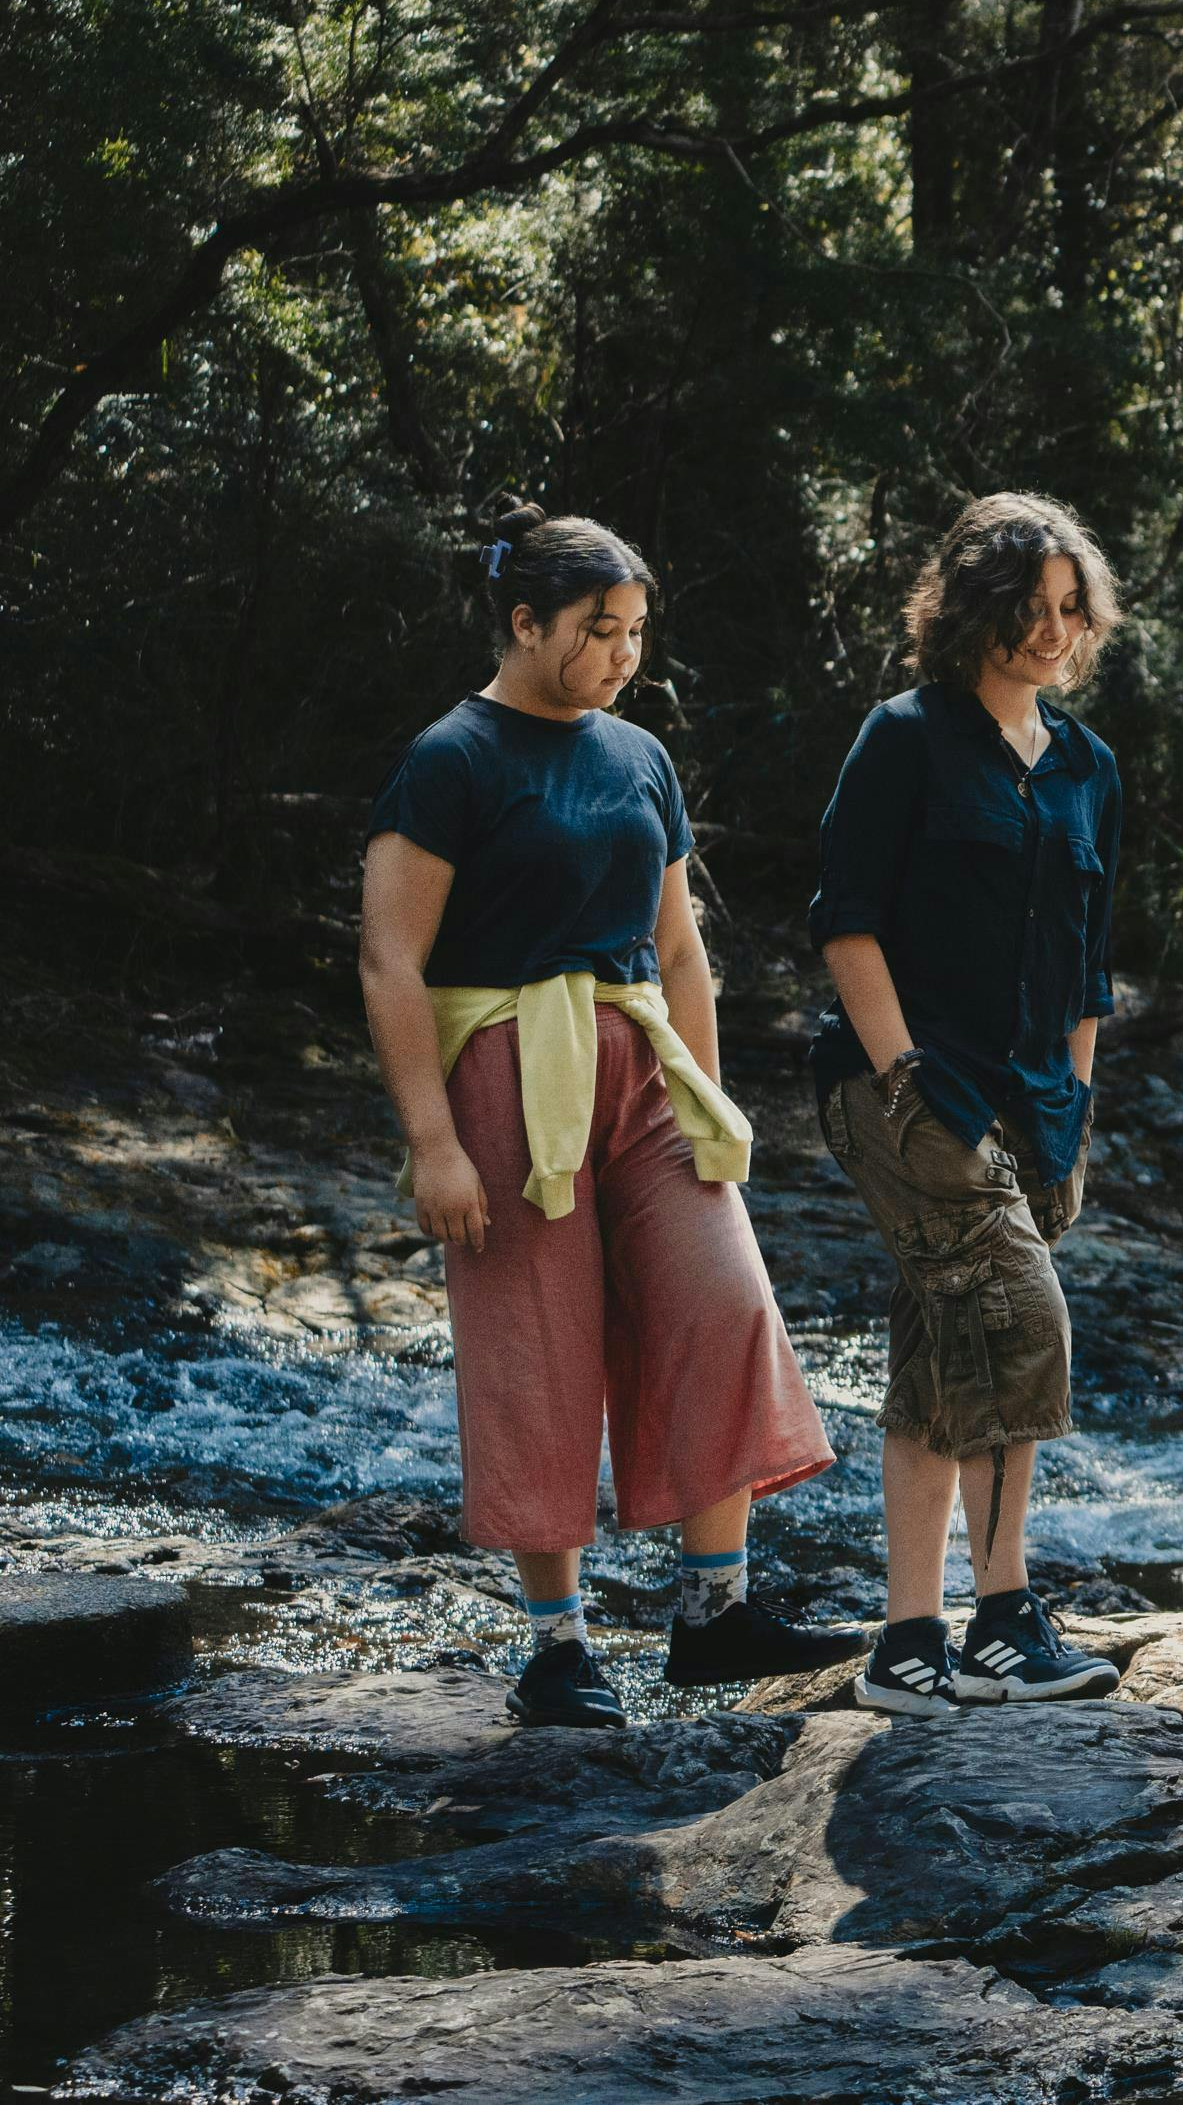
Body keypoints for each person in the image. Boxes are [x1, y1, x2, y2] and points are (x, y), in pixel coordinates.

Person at [359, 504, 860, 1730]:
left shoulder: (640, 758)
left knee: (723, 1304)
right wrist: (433, 1143)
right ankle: (558, 1649)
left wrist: (709, 1103)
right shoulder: (451, 758)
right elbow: (389, 958)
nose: (625, 653)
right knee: (536, 1348)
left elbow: (681, 950)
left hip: (644, 1071)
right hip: (505, 1074)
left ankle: (713, 1613)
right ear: (526, 623)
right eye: (601, 629)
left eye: (636, 630)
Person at [810, 493, 1129, 1715]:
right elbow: (846, 925)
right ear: (972, 608)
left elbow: (1087, 966)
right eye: (1028, 607)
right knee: (1019, 1325)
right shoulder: (906, 737)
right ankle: (1001, 1620)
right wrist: (905, 1081)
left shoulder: (1090, 768)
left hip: (1035, 1105)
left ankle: (906, 1647)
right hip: (903, 1088)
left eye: (1070, 609)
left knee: (945, 1349)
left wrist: (1073, 1111)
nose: (1053, 631)